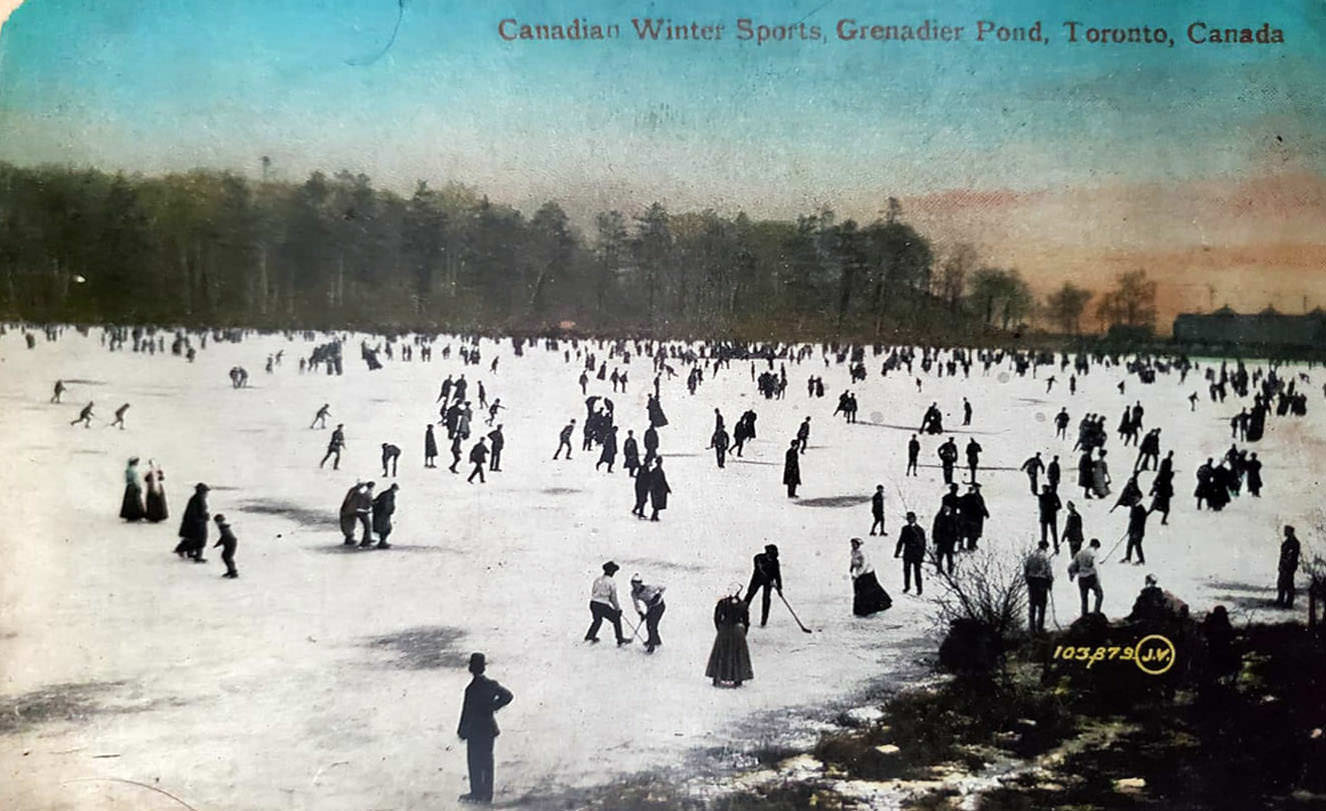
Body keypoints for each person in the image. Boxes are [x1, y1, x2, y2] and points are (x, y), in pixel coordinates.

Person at [456, 652, 514, 805]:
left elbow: (466, 712)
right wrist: (493, 707)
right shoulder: (491, 684)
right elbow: (508, 696)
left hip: (475, 729)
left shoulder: (471, 689)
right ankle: (487, 793)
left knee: (474, 761)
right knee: (487, 760)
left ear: (471, 668)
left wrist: (461, 730)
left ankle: (476, 791)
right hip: (488, 728)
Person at [706, 585, 754, 687]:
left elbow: (716, 617)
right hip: (737, 631)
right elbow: (746, 621)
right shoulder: (743, 604)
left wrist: (720, 628)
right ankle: (738, 677)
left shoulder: (722, 603)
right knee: (737, 655)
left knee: (721, 654)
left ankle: (717, 676)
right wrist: (743, 632)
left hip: (724, 629)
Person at [585, 561, 631, 645]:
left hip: (593, 603)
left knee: (597, 620)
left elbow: (594, 591)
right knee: (616, 619)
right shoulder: (611, 582)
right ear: (611, 571)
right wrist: (618, 609)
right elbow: (613, 598)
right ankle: (620, 639)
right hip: (602, 605)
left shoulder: (597, 579)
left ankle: (590, 636)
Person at [850, 538, 893, 616]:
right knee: (860, 592)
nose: (853, 545)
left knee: (870, 591)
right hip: (860, 573)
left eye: (854, 544)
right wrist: (851, 568)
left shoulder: (862, 553)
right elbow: (853, 560)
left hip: (867, 574)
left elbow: (864, 565)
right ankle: (861, 610)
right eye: (852, 544)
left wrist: (857, 575)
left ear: (858, 544)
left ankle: (878, 606)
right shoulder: (853, 551)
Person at [744, 544, 783, 627]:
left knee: (766, 599)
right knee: (749, 596)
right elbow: (760, 569)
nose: (771, 558)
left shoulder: (775, 561)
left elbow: (777, 574)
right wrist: (769, 578)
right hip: (756, 580)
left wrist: (779, 587)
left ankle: (764, 621)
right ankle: (741, 614)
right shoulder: (758, 558)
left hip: (768, 583)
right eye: (770, 556)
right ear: (767, 553)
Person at [629, 574, 667, 653]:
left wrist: (658, 596)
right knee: (648, 625)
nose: (635, 586)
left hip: (659, 606)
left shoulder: (649, 588)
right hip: (650, 608)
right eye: (633, 583)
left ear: (640, 583)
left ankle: (652, 645)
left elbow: (663, 588)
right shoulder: (634, 593)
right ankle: (655, 641)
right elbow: (636, 604)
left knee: (652, 625)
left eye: (637, 583)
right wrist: (640, 613)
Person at [1068, 538, 1104, 616]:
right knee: (1099, 594)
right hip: (1091, 577)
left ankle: (1084, 615)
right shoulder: (1093, 554)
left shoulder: (1080, 553)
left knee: (1084, 599)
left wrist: (1072, 575)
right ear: (1095, 546)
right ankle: (1096, 612)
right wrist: (1098, 581)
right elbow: (1096, 568)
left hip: (1081, 579)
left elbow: (1071, 566)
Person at [175, 483, 210, 562]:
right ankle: (198, 557)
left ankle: (187, 552)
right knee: (200, 540)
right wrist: (205, 517)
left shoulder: (195, 498)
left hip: (193, 523)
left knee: (192, 538)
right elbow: (200, 512)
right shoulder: (199, 499)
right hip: (198, 523)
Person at [1024, 541, 1053, 633]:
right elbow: (1048, 570)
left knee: (1032, 604)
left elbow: (1026, 569)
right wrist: (1050, 581)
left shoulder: (1031, 556)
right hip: (1041, 581)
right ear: (1045, 547)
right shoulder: (1045, 556)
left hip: (1032, 581)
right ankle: (1039, 627)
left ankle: (1031, 627)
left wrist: (1027, 580)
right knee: (1042, 605)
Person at [895, 511, 926, 595]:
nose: (910, 520)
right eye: (908, 518)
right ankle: (907, 586)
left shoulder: (920, 530)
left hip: (917, 554)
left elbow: (923, 544)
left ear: (915, 519)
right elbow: (901, 541)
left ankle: (919, 588)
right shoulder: (904, 529)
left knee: (917, 572)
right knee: (906, 571)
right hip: (907, 553)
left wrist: (922, 555)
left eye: (911, 518)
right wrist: (897, 552)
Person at [958, 483, 989, 551]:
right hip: (974, 518)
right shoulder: (976, 497)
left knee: (968, 533)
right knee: (971, 533)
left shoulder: (970, 497)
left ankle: (968, 545)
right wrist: (985, 513)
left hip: (971, 518)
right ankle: (970, 546)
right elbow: (981, 506)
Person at [1276, 525, 1301, 608]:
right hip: (1284, 566)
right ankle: (1281, 600)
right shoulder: (1288, 541)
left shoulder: (1294, 542)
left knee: (1289, 584)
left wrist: (1286, 565)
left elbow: (1291, 556)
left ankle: (1288, 603)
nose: (1284, 532)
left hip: (1288, 567)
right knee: (1281, 583)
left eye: (1286, 531)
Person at [932, 504, 958, 575]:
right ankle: (939, 570)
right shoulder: (939, 517)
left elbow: (956, 530)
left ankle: (950, 571)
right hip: (941, 541)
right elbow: (935, 529)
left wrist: (956, 540)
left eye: (948, 508)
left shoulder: (953, 518)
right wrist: (935, 540)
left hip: (950, 541)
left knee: (950, 557)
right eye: (945, 508)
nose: (946, 510)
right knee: (940, 557)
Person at [372, 483, 398, 548]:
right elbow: (387, 505)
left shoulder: (384, 493)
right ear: (394, 489)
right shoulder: (390, 495)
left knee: (384, 528)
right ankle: (382, 543)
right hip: (383, 514)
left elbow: (375, 500)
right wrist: (390, 511)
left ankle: (382, 542)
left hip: (380, 513)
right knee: (386, 529)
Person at [120, 457, 146, 522]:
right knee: (136, 501)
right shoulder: (134, 470)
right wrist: (139, 487)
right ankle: (137, 516)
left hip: (129, 487)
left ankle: (130, 516)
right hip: (134, 486)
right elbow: (136, 480)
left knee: (129, 502)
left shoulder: (127, 470)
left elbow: (126, 479)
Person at [1038, 484, 1061, 549]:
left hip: (1045, 517)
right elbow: (1059, 506)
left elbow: (1041, 507)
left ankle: (1045, 545)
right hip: (1051, 517)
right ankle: (1055, 545)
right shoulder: (1053, 496)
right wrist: (1054, 509)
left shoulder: (1041, 497)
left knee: (1045, 533)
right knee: (1052, 533)